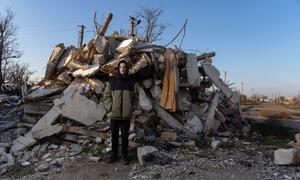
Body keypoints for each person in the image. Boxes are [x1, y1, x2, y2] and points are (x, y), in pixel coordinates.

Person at [104, 60, 137, 165]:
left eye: (124, 67)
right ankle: (114, 154)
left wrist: (132, 108)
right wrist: (110, 107)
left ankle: (124, 155)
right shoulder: (112, 82)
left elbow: (136, 97)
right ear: (118, 69)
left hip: (126, 116)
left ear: (127, 68)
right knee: (114, 136)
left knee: (125, 136)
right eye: (121, 67)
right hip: (114, 115)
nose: (122, 69)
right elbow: (106, 96)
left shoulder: (132, 83)